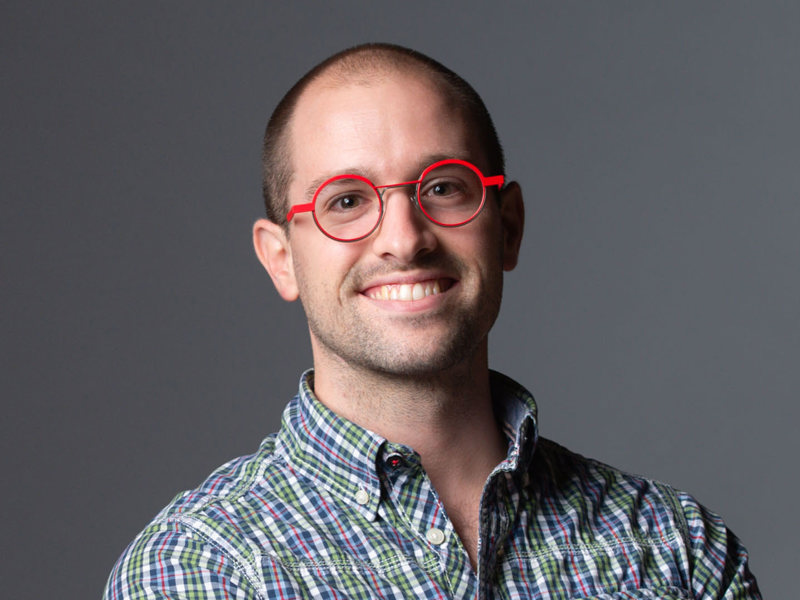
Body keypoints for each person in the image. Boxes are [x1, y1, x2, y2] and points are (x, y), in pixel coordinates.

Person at [103, 43, 761, 599]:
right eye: (347, 200)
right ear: (282, 260)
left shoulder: (674, 551)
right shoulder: (205, 571)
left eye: (443, 186)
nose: (405, 239)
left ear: (507, 228)